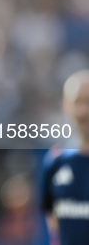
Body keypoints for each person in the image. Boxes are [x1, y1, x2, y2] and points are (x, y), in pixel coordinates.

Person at [41, 70, 89, 245]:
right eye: (77, 102)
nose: (83, 111)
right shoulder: (55, 161)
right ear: (64, 106)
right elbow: (51, 219)